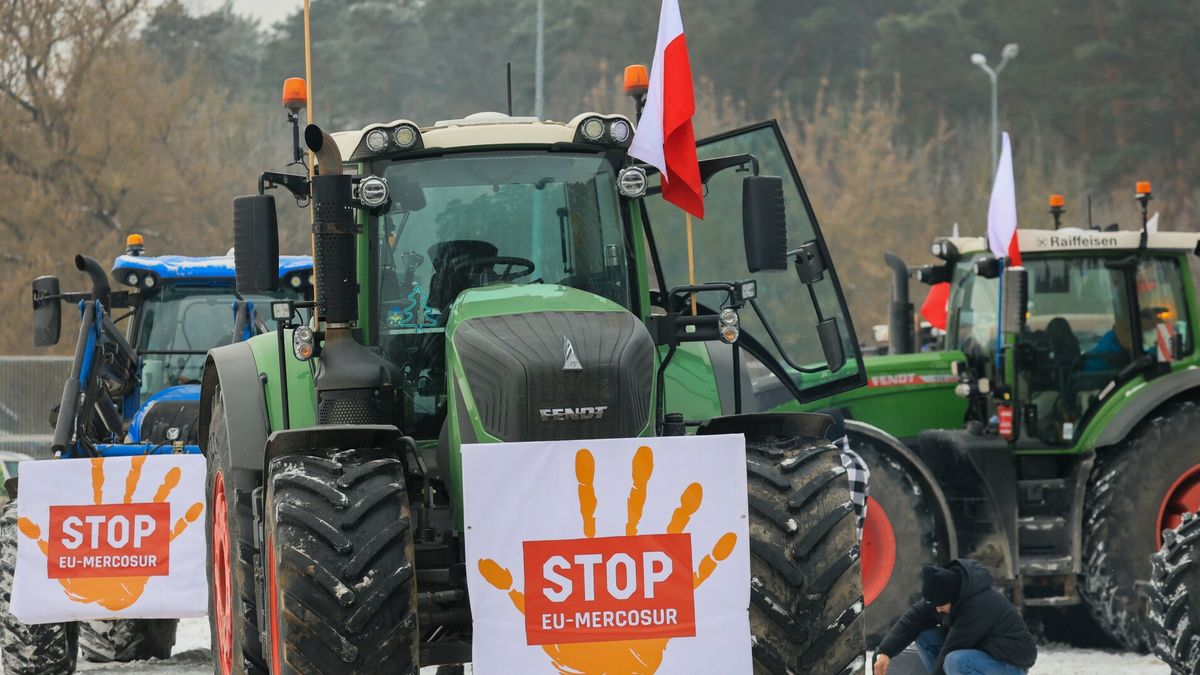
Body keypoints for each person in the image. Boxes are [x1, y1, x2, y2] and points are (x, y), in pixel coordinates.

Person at [873, 560, 1037, 675]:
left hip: (1008, 665)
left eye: (941, 605)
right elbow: (912, 620)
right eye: (934, 605)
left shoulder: (978, 604)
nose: (938, 609)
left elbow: (952, 648)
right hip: (978, 655)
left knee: (955, 660)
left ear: (952, 597)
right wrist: (886, 652)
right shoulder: (944, 593)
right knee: (925, 635)